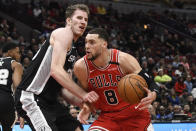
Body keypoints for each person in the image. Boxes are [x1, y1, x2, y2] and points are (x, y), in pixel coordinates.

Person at [15, 4, 99, 131]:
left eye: (86, 19)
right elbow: (56, 70)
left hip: (50, 102)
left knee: (76, 128)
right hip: (32, 97)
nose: (83, 22)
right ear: (69, 21)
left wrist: (81, 103)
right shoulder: (63, 33)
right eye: (79, 18)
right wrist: (83, 94)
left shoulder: (73, 51)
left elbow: (64, 90)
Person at [74, 28, 159, 131]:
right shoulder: (81, 67)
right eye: (86, 42)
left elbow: (151, 82)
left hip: (135, 115)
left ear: (104, 44)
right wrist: (86, 107)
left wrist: (153, 95)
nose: (87, 46)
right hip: (108, 117)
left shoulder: (123, 59)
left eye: (92, 42)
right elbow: (85, 93)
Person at [0, 42, 23, 131]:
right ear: (10, 52)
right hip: (6, 101)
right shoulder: (16, 65)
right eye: (17, 52)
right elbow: (18, 87)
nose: (19, 55)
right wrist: (20, 110)